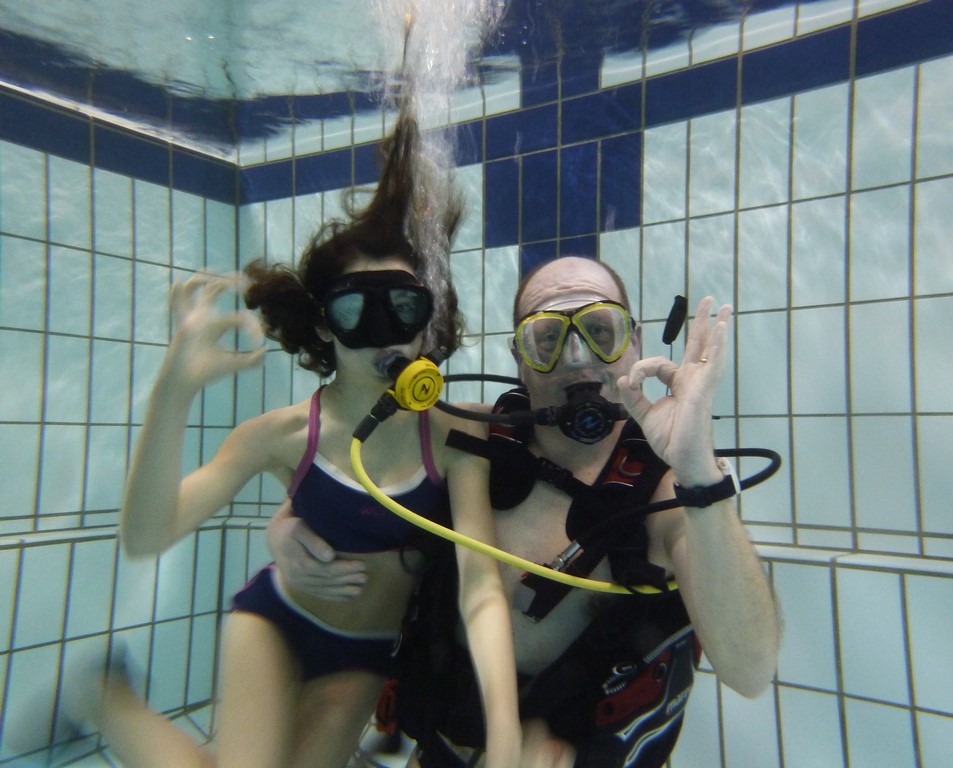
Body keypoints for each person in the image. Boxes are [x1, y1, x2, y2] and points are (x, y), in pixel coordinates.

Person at [61, 111, 521, 768]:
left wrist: (504, 731)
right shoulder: (282, 436)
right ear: (325, 325)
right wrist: (174, 391)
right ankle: (106, 697)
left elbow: (481, 585)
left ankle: (106, 693)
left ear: (428, 322)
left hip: (365, 656)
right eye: (355, 310)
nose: (384, 334)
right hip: (274, 624)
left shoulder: (454, 436)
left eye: (404, 308)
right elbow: (146, 536)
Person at [270, 255, 780, 768]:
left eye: (601, 330)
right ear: (520, 358)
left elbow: (751, 670)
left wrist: (699, 473)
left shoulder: (671, 494)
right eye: (547, 337)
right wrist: (288, 522)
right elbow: (338, 463)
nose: (577, 357)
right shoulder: (468, 434)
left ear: (635, 342)